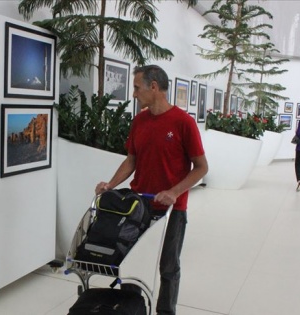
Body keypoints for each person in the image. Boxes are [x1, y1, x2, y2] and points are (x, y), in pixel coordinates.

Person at [95, 65, 208, 315]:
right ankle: (131, 310)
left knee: (168, 267)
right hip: (137, 208)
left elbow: (201, 167)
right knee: (130, 263)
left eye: (137, 88)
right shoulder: (139, 121)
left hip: (171, 211)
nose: (134, 93)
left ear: (154, 87)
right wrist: (110, 185)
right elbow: (131, 160)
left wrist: (174, 192)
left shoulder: (183, 123)